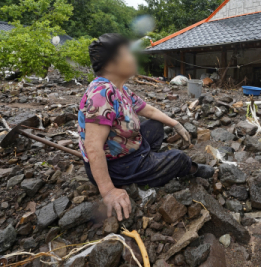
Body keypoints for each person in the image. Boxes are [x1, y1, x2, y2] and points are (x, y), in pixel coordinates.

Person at [78, 33, 213, 221]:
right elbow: (93, 147)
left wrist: (176, 124)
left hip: (129, 148)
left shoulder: (120, 88)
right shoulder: (102, 93)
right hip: (116, 165)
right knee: (178, 158)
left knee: (156, 125)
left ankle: (148, 161)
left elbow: (147, 110)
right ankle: (189, 169)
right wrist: (108, 191)